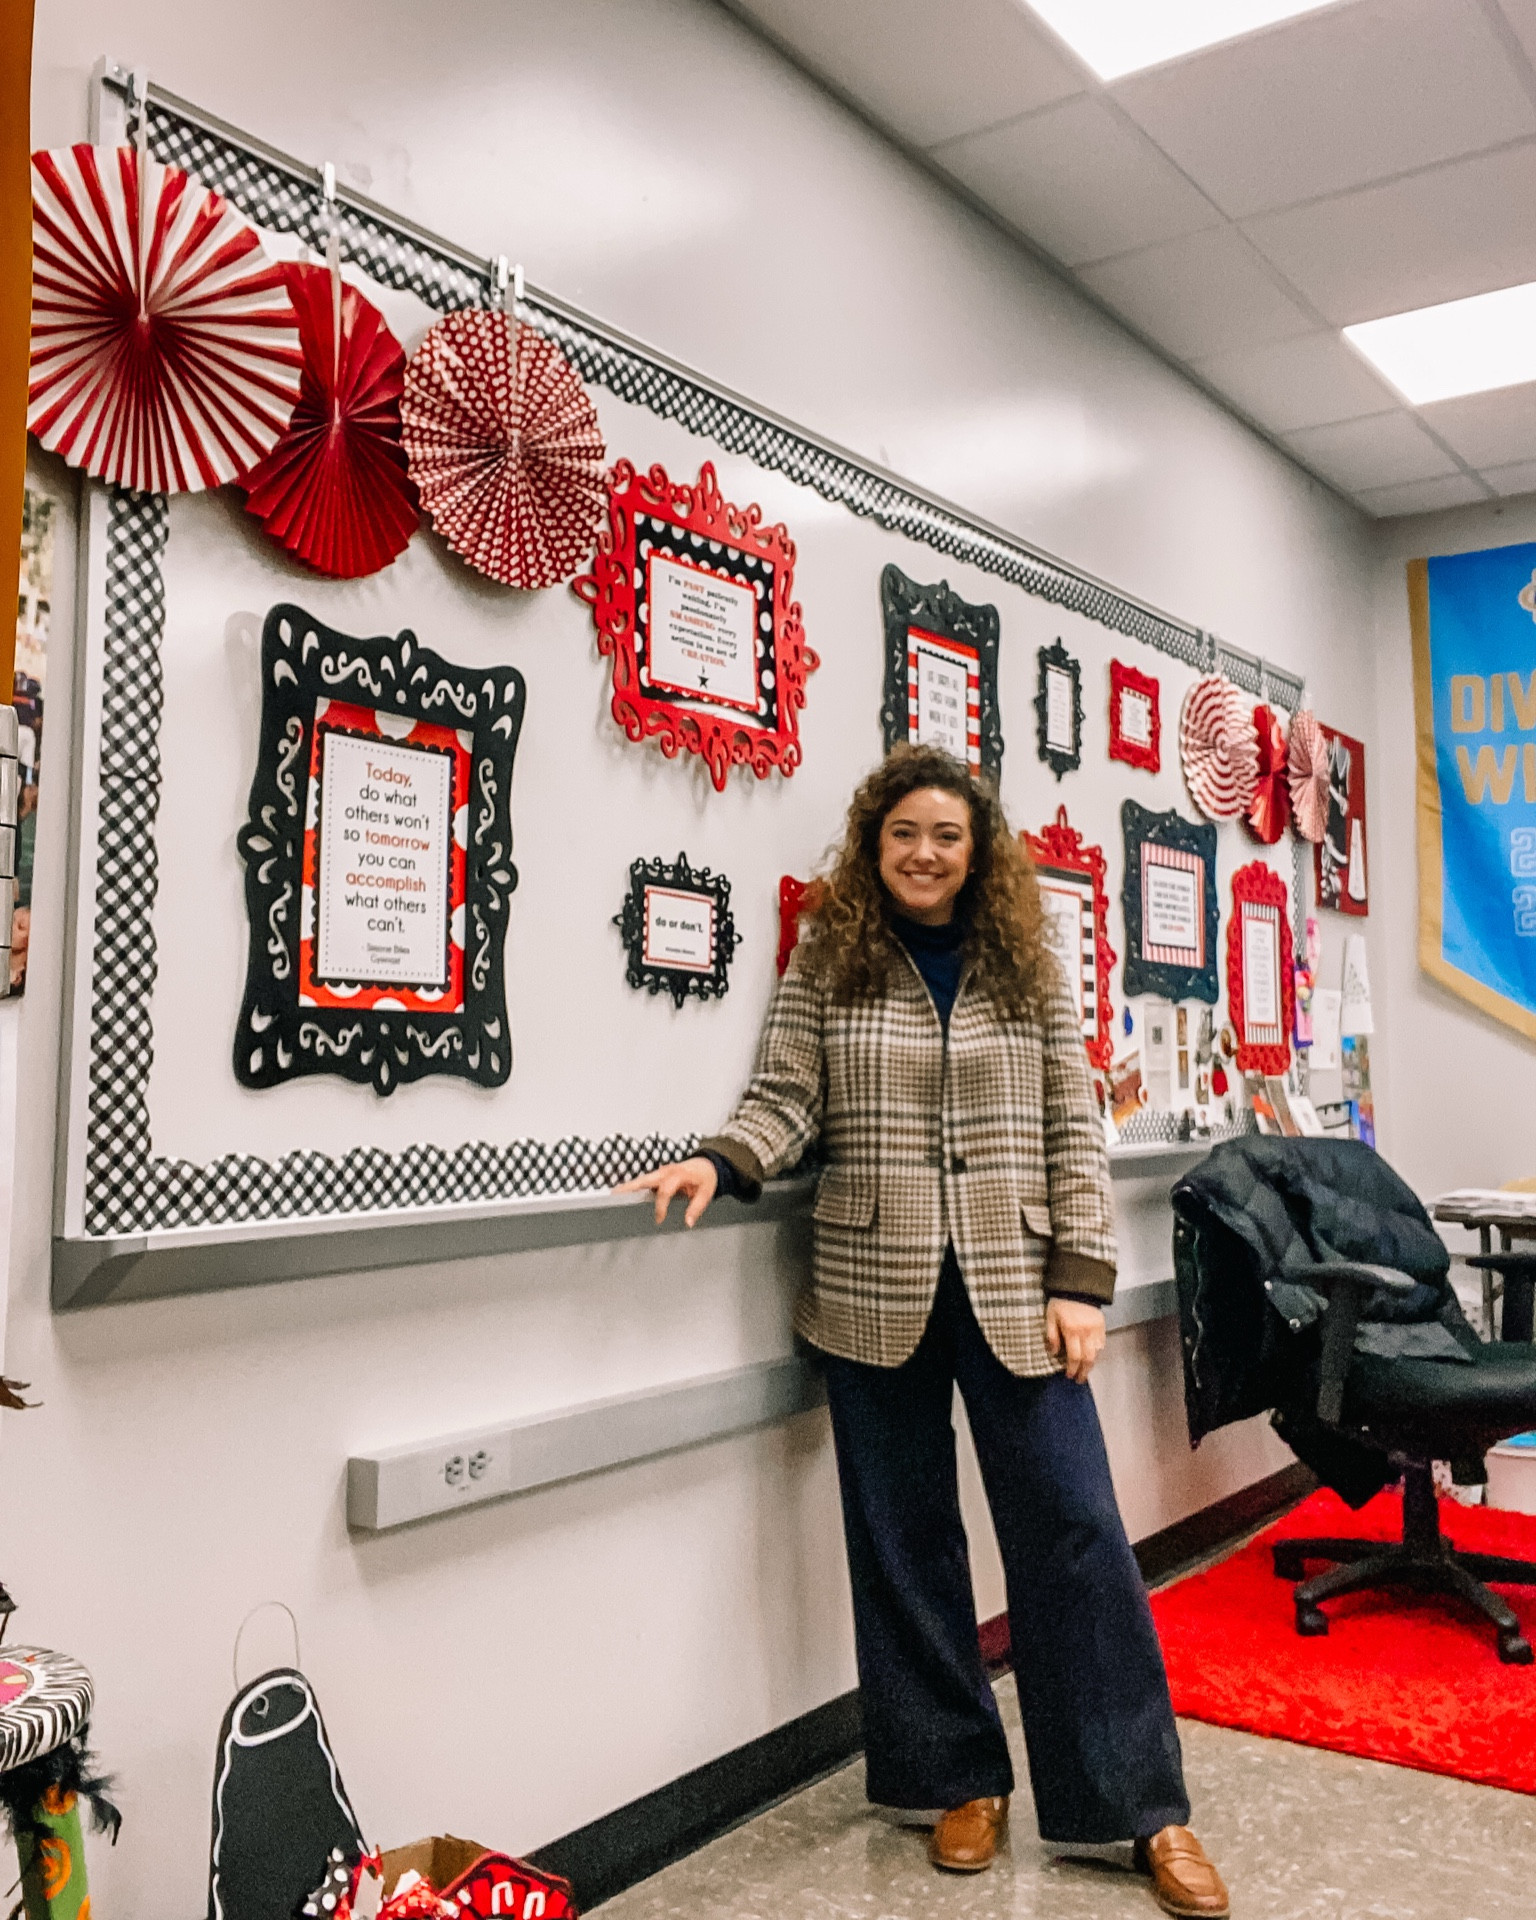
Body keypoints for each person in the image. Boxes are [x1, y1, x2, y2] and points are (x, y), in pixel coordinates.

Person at [619, 745, 1228, 1918]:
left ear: (976, 848)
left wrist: (1081, 1279)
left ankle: (1140, 1810)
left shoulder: (1026, 960)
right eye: (904, 834)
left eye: (946, 835)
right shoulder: (830, 953)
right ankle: (954, 1778)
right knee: (904, 1541)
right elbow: (787, 1094)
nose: (924, 854)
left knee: (1073, 1535)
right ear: (874, 841)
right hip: (868, 1282)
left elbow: (1073, 1118)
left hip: (1017, 1283)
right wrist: (721, 1159)